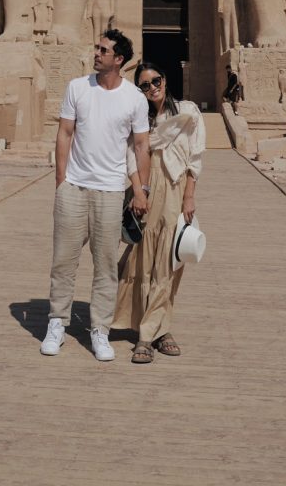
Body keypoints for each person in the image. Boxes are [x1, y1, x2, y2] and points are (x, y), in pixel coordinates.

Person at [40, 29, 151, 361]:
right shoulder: (78, 87)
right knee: (63, 261)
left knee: (105, 265)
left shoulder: (134, 97)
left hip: (111, 189)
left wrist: (141, 189)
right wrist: (61, 180)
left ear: (119, 60)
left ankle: (99, 329)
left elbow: (142, 145)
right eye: (97, 47)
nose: (96, 52)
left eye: (103, 49)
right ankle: (57, 322)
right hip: (74, 186)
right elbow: (64, 133)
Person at [113, 61, 206, 364]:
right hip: (146, 189)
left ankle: (147, 335)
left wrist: (189, 197)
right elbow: (130, 156)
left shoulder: (188, 111)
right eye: (144, 84)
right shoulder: (138, 119)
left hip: (175, 189)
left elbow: (195, 157)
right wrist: (138, 191)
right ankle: (157, 328)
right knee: (142, 259)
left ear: (165, 80)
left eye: (156, 81)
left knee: (169, 260)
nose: (152, 88)